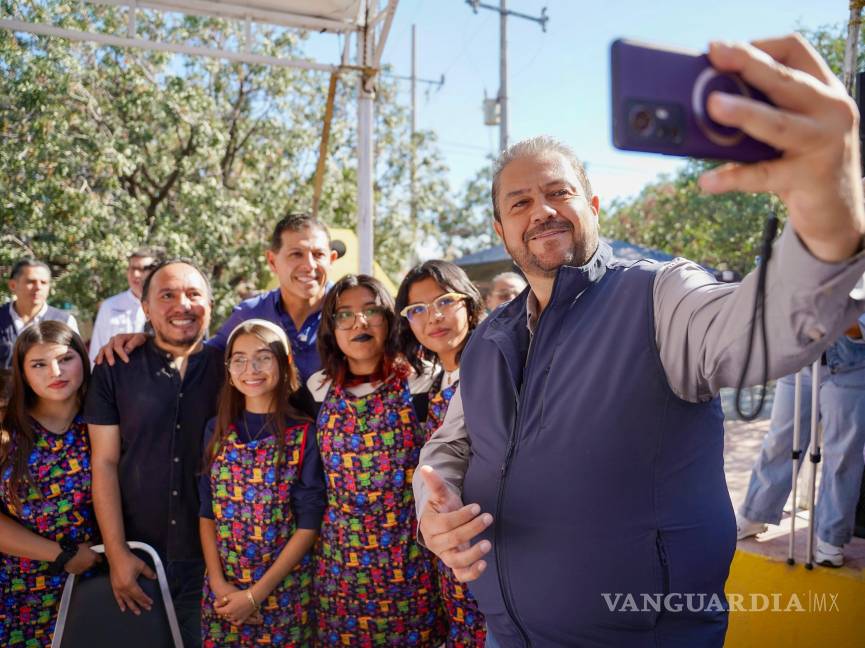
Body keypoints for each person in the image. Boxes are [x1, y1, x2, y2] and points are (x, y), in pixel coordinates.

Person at [413, 36, 865, 647]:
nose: (541, 210)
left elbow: (766, 330)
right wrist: (429, 495)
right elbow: (452, 444)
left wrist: (829, 207)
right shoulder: (490, 336)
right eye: (520, 202)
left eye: (559, 192)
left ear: (593, 205)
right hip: (508, 634)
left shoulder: (659, 294)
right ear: (501, 229)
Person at [85, 259, 223, 648]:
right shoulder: (115, 368)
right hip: (138, 559)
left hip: (214, 565)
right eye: (167, 295)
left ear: (210, 305)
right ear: (145, 308)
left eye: (194, 294)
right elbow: (105, 463)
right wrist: (116, 555)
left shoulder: (233, 369)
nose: (183, 305)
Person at [305, 274, 446, 646]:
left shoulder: (423, 380)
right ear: (331, 329)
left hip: (409, 560)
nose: (359, 323)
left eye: (371, 311)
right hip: (341, 564)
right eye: (345, 315)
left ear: (390, 319)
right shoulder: (317, 388)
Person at [198, 319, 325, 647]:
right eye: (238, 359)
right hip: (223, 597)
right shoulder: (216, 430)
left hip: (282, 593)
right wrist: (218, 583)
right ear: (228, 369)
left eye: (263, 357)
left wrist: (255, 596)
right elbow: (206, 512)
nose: (250, 368)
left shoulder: (304, 434)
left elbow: (308, 525)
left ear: (284, 364)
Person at [97, 213, 339, 384]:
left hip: (347, 451)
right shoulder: (250, 314)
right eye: (296, 254)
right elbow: (199, 355)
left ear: (332, 259)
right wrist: (147, 340)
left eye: (318, 255)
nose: (309, 265)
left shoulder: (348, 312)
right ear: (272, 261)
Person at [395, 260, 487, 647]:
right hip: (447, 552)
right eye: (416, 309)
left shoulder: (493, 369)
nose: (432, 317)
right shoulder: (430, 382)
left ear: (468, 303)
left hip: (490, 543)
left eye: (443, 301)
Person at [737, 312, 865, 567]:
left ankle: (831, 536)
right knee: (780, 441)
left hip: (851, 367)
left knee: (842, 454)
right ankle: (755, 514)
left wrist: (838, 323)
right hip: (799, 363)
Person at [0, 321, 100, 647]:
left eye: (66, 358)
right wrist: (61, 554)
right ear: (23, 371)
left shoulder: (105, 421)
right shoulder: (6, 430)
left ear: (84, 360)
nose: (55, 371)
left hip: (97, 586)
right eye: (39, 364)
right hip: (18, 594)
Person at [88, 247, 162, 365]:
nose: (136, 274)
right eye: (132, 268)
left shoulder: (164, 307)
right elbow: (97, 349)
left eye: (143, 269)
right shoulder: (109, 306)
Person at [1, 259, 79, 369]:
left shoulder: (64, 321)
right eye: (31, 282)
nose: (38, 287)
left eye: (43, 282)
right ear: (13, 285)